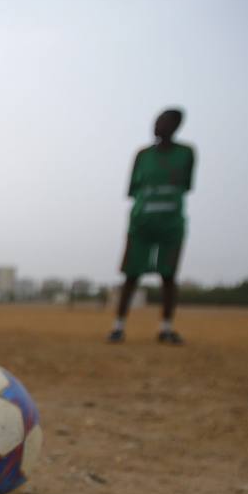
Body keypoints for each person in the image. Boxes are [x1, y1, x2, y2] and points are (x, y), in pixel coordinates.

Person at [109, 108, 195, 345]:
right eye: (156, 121)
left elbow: (186, 185)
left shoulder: (186, 153)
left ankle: (166, 328)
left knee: (168, 275)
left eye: (164, 122)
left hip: (171, 224)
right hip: (141, 223)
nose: (157, 126)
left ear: (176, 126)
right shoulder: (142, 155)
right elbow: (133, 189)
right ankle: (118, 326)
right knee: (130, 275)